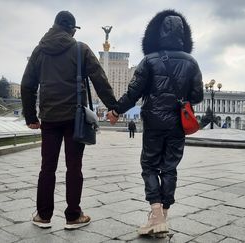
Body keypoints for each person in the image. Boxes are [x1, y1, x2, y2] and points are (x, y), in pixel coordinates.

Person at [107, 9, 203, 237]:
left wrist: (115, 111)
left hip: (154, 121)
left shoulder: (149, 60)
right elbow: (198, 96)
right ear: (183, 35)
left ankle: (156, 215)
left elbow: (133, 92)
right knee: (170, 167)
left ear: (159, 34)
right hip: (177, 124)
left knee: (149, 165)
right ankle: (162, 216)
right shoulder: (191, 62)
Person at [21, 10, 118, 230]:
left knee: (48, 167)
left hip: (49, 117)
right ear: (72, 30)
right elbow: (99, 79)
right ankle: (73, 215)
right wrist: (114, 107)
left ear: (54, 26)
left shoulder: (40, 50)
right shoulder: (80, 48)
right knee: (74, 166)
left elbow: (27, 85)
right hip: (75, 118)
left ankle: (43, 216)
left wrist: (30, 117)